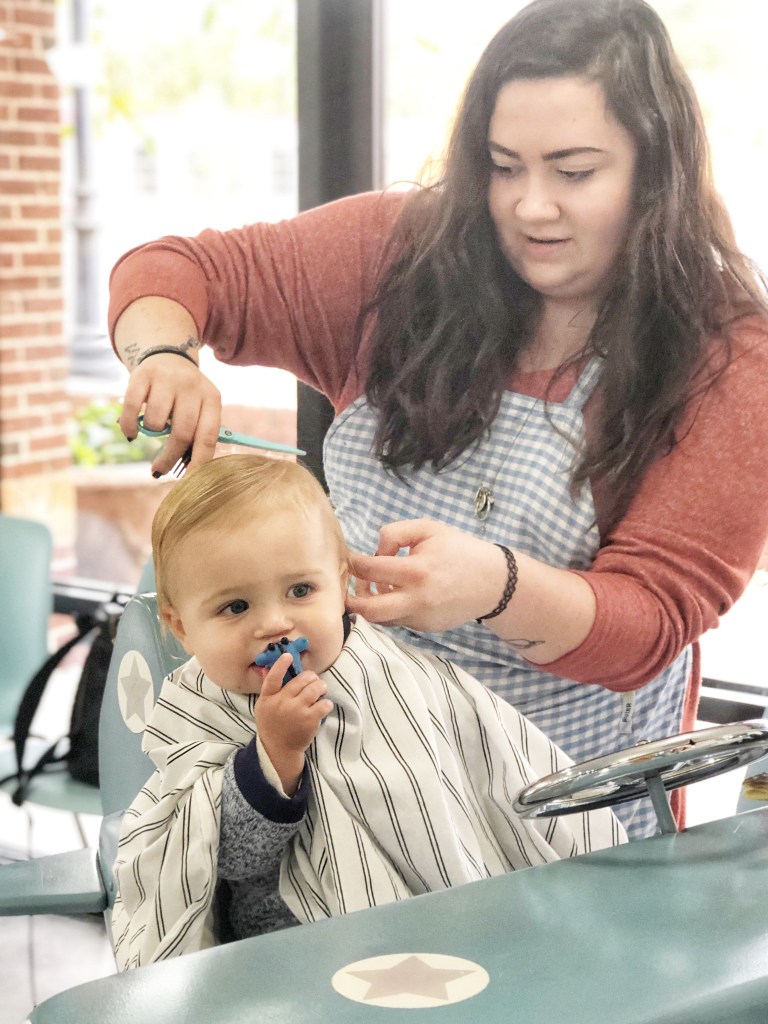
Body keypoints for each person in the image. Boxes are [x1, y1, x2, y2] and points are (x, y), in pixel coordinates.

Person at [108, 0, 768, 840]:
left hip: (559, 830)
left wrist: (497, 589)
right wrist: (164, 354)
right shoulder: (402, 254)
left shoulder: (727, 355)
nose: (531, 207)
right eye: (503, 167)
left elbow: (647, 627)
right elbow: (178, 270)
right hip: (354, 796)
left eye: (574, 173)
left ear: (655, 168)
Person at [111, 453, 623, 969]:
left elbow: (474, 792)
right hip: (285, 959)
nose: (275, 624)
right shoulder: (197, 708)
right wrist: (273, 756)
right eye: (235, 607)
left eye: (300, 590)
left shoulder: (397, 675)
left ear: (341, 585)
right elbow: (222, 860)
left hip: (441, 928)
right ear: (181, 626)